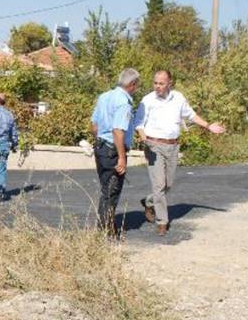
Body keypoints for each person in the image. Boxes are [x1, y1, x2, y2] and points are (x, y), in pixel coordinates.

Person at [133, 70, 225, 235]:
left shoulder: (178, 98)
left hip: (173, 146)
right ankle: (162, 222)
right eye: (155, 83)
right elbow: (138, 122)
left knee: (168, 184)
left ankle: (149, 202)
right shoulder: (147, 100)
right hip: (153, 145)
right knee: (159, 185)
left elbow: (191, 115)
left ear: (169, 83)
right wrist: (143, 137)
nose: (158, 86)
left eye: (161, 83)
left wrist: (208, 126)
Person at [91, 68, 140, 236]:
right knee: (111, 191)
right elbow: (118, 131)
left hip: (101, 147)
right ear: (132, 84)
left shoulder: (104, 97)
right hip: (113, 150)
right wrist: (121, 158)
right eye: (137, 85)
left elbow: (94, 125)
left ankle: (104, 227)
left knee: (105, 189)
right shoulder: (123, 103)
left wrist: (98, 143)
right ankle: (106, 231)